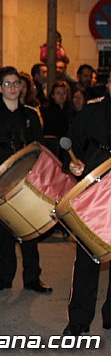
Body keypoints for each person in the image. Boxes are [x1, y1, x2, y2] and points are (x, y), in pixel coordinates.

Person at [0, 66, 52, 294]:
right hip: (1, 178)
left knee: (29, 230)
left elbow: (40, 149)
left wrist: (40, 178)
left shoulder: (31, 114)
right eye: (7, 84)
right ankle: (4, 278)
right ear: (0, 88)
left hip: (27, 179)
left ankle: (32, 279)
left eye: (16, 83)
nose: (13, 88)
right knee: (5, 230)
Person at [62, 80, 111, 336]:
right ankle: (78, 322)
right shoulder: (92, 111)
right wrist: (73, 164)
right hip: (95, 187)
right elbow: (70, 141)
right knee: (87, 255)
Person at [40, 80, 72, 157]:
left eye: (64, 93)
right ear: (53, 95)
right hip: (53, 148)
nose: (61, 96)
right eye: (58, 93)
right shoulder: (46, 111)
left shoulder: (70, 111)